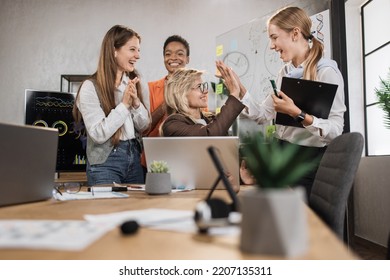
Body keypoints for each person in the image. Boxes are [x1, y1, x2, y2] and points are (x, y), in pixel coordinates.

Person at [218, 6, 346, 199]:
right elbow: (262, 115)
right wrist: (239, 90)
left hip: (307, 163)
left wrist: (298, 114)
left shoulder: (326, 72)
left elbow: (336, 130)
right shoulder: (284, 73)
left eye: (274, 37)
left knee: (298, 224)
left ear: (295, 33)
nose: (271, 45)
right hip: (281, 156)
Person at [73, 25, 150, 186]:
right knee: (107, 210)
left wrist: (135, 103)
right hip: (105, 164)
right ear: (114, 50)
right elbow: (98, 134)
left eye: (139, 50)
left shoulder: (132, 83)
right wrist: (124, 105)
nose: (138, 56)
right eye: (132, 49)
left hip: (134, 159)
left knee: (135, 211)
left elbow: (144, 126)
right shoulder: (89, 87)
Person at [161, 66, 245, 136]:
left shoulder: (211, 119)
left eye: (204, 85)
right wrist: (234, 94)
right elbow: (208, 136)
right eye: (199, 86)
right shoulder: (172, 125)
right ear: (181, 93)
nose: (205, 91)